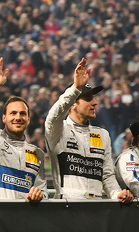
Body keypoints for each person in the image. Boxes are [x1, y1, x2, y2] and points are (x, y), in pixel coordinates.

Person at [45, 58, 133, 202]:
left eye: (93, 98)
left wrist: (117, 194)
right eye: (88, 99)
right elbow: (53, 116)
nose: (95, 102)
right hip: (67, 207)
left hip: (96, 208)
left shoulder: (102, 135)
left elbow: (107, 176)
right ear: (73, 104)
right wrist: (75, 89)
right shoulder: (58, 131)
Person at [0, 55, 46, 201]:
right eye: (13, 113)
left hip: (26, 220)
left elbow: (43, 192)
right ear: (4, 118)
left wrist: (40, 195)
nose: (18, 117)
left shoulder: (37, 154)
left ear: (28, 119)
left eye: (22, 114)